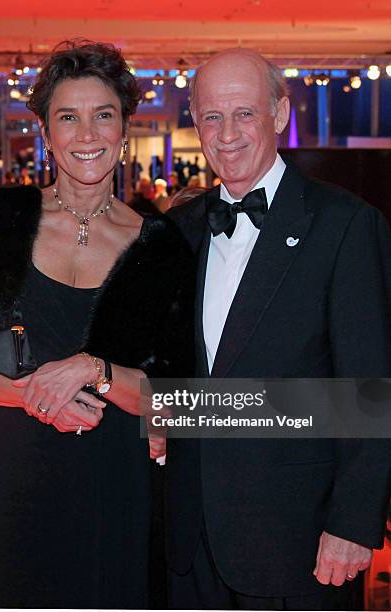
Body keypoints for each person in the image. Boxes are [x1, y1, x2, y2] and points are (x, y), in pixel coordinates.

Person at [0, 40, 194, 609]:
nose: (86, 135)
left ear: (123, 128)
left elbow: (177, 397)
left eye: (103, 116)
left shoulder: (161, 246)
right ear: (45, 131)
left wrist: (96, 372)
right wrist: (30, 397)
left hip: (118, 483)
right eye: (68, 117)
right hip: (16, 479)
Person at [167, 48, 391, 610]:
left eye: (244, 113)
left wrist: (355, 523)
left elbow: (371, 388)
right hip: (189, 540)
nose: (227, 134)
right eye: (212, 117)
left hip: (301, 541)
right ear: (195, 122)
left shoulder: (345, 225)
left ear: (281, 114)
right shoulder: (179, 229)